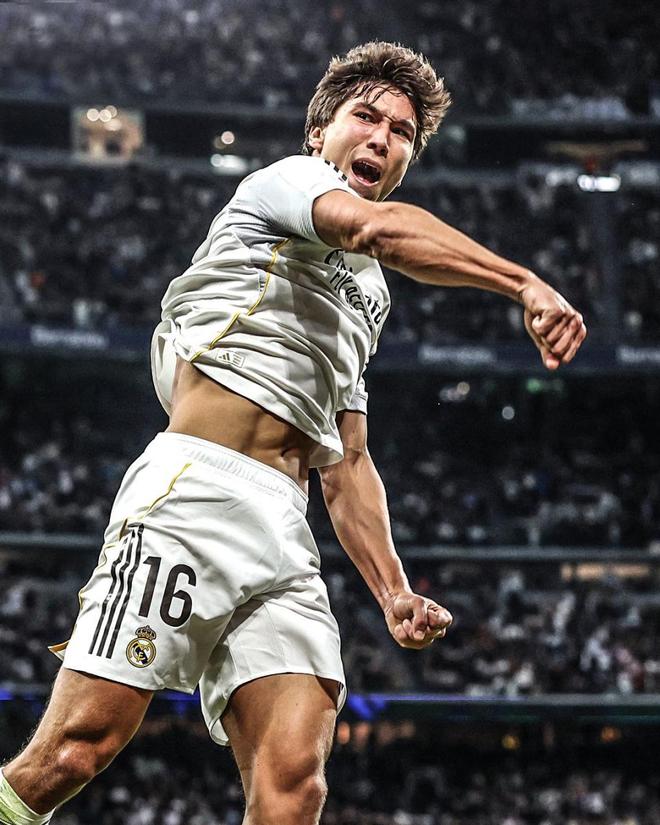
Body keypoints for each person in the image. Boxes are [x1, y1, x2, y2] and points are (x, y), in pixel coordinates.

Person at [0, 41, 586, 825]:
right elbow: (375, 230)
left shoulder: (371, 295)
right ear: (320, 133)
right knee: (75, 751)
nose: (382, 138)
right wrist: (523, 282)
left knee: (294, 785)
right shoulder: (287, 183)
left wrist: (393, 590)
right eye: (366, 117)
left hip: (286, 530)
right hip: (198, 490)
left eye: (402, 133)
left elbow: (348, 457)